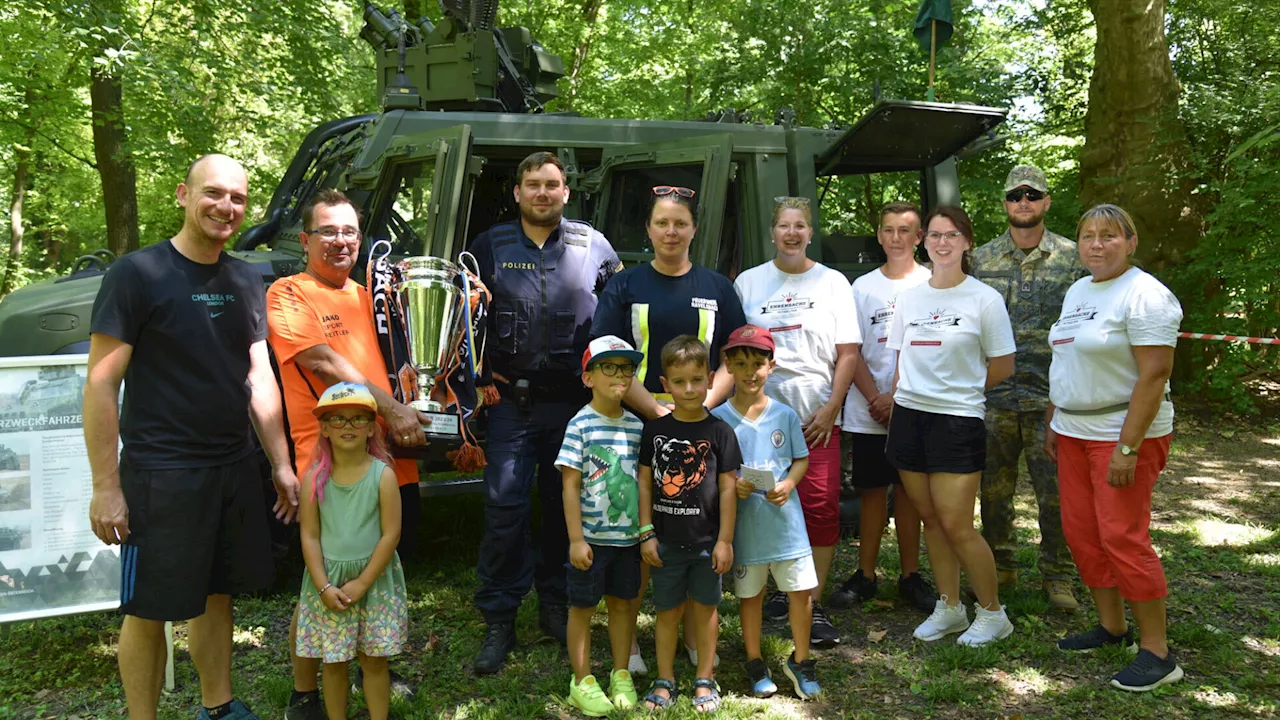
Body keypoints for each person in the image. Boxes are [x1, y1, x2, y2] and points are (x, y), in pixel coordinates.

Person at [84, 154, 299, 720]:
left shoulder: (244, 277)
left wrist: (279, 462)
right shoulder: (136, 275)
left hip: (232, 466)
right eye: (213, 193)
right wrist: (106, 485)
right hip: (161, 474)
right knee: (148, 608)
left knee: (217, 593)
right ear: (183, 194)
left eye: (238, 198)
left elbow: (259, 377)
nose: (226, 207)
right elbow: (102, 385)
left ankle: (218, 707)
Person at [265, 189, 427, 718]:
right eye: (329, 231)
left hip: (386, 459)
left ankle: (373, 660)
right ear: (306, 238)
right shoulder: (289, 293)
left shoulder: (369, 297)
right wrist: (394, 410)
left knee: (378, 564)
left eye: (350, 232)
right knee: (322, 582)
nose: (340, 241)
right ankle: (305, 691)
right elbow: (323, 363)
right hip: (328, 464)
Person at [469, 151, 623, 675]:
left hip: (572, 403)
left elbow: (618, 314)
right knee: (504, 507)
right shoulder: (488, 246)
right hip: (511, 404)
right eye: (532, 185)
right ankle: (500, 618)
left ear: (566, 192)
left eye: (551, 185)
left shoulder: (593, 246)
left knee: (565, 507)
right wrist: (475, 374)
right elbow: (462, 321)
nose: (542, 193)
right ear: (517, 193)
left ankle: (556, 604)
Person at [592, 185, 746, 671]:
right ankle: (634, 643)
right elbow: (607, 355)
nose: (671, 232)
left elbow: (732, 357)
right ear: (649, 229)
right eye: (662, 223)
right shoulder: (625, 285)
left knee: (694, 531)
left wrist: (700, 407)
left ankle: (696, 640)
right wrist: (660, 417)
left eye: (680, 223)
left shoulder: (719, 287)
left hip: (701, 423)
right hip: (637, 423)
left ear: (694, 229)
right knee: (641, 533)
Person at [1046, 204, 1184, 692]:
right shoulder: (1081, 289)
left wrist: (1128, 447)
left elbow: (1155, 374)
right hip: (1073, 430)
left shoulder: (1146, 295)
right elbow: (1069, 360)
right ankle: (1112, 626)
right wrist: (1054, 417)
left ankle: (1158, 652)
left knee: (1122, 535)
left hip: (1121, 434)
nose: (1097, 244)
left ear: (1131, 241)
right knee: (1082, 533)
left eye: (1109, 235)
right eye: (1087, 236)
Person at [885, 205, 1017, 646]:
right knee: (931, 520)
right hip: (909, 416)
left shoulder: (984, 299)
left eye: (952, 235)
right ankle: (950, 606)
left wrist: (959, 388)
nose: (943, 243)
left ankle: (993, 613)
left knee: (957, 523)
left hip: (957, 419)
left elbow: (1003, 364)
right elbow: (902, 358)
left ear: (966, 243)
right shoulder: (910, 297)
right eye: (936, 235)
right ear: (924, 240)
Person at [733, 196, 858, 647]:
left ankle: (813, 602)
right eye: (784, 225)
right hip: (756, 416)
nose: (792, 233)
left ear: (810, 233)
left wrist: (831, 408)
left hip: (815, 417)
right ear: (772, 232)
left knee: (821, 510)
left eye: (800, 226)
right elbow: (731, 352)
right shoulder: (749, 283)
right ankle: (770, 595)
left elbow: (848, 354)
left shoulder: (834, 283)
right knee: (761, 504)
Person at [972, 165, 1086, 611]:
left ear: (1046, 202)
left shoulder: (1074, 258)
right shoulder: (980, 260)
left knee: (1055, 494)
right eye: (1015, 195)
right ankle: (1001, 564)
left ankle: (1058, 575)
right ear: (1005, 203)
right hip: (994, 398)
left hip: (1052, 399)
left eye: (1032, 195)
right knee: (993, 491)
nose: (1024, 202)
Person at [829, 202, 936, 614]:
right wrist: (876, 397)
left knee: (911, 492)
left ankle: (911, 576)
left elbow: (929, 348)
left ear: (919, 237)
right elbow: (850, 349)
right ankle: (866, 575)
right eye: (889, 229)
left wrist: (898, 397)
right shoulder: (861, 288)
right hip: (867, 407)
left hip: (915, 406)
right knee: (873, 490)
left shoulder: (932, 283)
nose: (896, 237)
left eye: (905, 230)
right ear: (879, 235)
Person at [712, 325, 821, 701]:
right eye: (740, 364)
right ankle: (755, 661)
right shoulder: (720, 419)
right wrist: (735, 485)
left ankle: (801, 661)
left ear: (771, 366)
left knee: (801, 593)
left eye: (758, 363)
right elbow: (718, 473)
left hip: (787, 525)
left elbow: (801, 460)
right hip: (747, 528)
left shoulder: (785, 415)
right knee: (750, 596)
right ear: (727, 366)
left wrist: (789, 484)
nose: (749, 372)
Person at [637, 336, 741, 713]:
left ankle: (704, 679)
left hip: (705, 543)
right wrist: (646, 532)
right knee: (666, 613)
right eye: (679, 382)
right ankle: (664, 679)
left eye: (697, 379)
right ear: (665, 385)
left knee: (706, 611)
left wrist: (725, 541)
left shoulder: (720, 433)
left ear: (710, 378)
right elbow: (645, 482)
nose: (689, 389)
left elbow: (728, 489)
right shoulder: (654, 431)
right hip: (664, 542)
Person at [295, 383, 408, 720]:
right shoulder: (313, 479)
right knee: (335, 661)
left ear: (372, 427)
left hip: (374, 583)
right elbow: (310, 537)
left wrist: (362, 582)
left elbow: (391, 535)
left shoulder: (383, 475)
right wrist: (323, 586)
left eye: (358, 419)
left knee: (374, 661)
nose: (348, 426)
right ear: (325, 428)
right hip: (329, 583)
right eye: (338, 419)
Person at [554, 336, 647, 716]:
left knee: (624, 606)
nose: (619, 376)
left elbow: (643, 483)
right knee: (583, 607)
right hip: (591, 540)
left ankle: (620, 673)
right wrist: (576, 539)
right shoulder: (580, 425)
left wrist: (645, 531)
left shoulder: (639, 426)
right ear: (588, 377)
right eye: (608, 367)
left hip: (628, 541)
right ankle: (582, 680)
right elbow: (570, 484)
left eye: (626, 367)